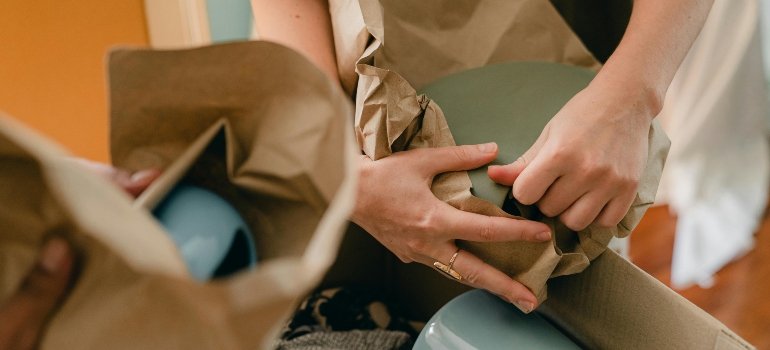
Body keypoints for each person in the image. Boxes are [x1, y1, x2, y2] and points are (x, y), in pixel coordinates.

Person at [250, 0, 713, 312]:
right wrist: (338, 169)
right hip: (345, 105)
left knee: (576, 294)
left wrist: (631, 96)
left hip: (585, 95)